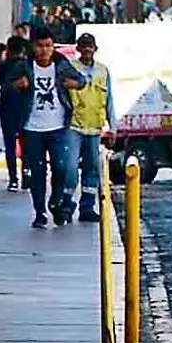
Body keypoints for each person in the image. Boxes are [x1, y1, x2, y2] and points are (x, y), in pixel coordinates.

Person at [3, 27, 89, 228]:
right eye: (40, 46)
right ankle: (40, 212)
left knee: (61, 167)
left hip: (58, 126)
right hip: (32, 128)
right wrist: (18, 85)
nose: (44, 50)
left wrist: (73, 84)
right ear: (33, 47)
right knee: (37, 171)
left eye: (48, 46)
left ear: (53, 47)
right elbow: (6, 87)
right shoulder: (24, 66)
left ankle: (56, 201)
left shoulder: (60, 64)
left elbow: (82, 80)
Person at [64, 33, 115, 223]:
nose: (87, 49)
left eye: (90, 46)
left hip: (94, 128)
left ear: (95, 48)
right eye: (83, 46)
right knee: (69, 169)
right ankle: (66, 205)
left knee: (91, 169)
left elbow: (110, 101)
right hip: (73, 126)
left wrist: (113, 127)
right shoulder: (70, 69)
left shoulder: (103, 71)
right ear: (78, 48)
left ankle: (87, 207)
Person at [0, 36, 32, 191]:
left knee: (10, 145)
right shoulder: (28, 66)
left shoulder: (2, 66)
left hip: (7, 108)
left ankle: (13, 179)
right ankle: (26, 175)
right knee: (26, 145)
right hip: (26, 108)